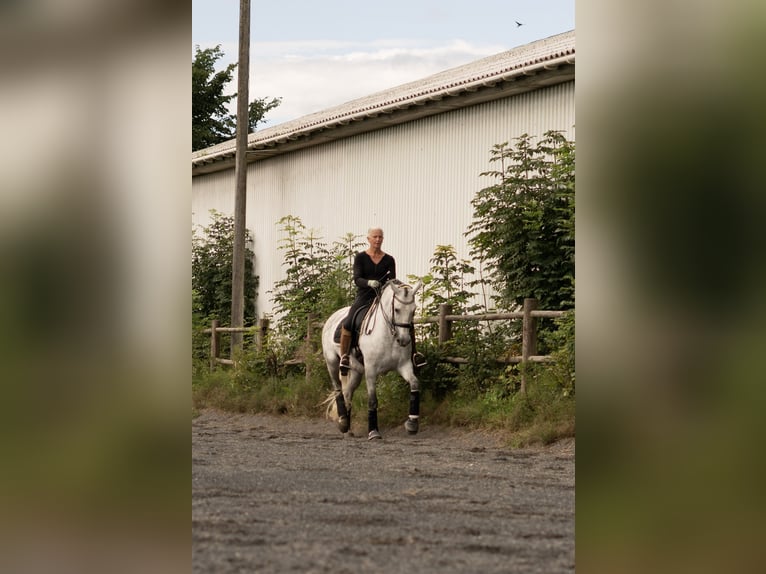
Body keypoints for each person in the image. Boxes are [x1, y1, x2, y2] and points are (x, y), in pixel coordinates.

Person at [339, 227, 427, 374]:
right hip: (364, 296)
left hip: (384, 297)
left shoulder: (389, 259)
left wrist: (399, 286)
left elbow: (392, 280)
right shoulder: (360, 258)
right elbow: (357, 279)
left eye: (380, 237)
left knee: (407, 321)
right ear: (368, 239)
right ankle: (345, 356)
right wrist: (368, 283)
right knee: (348, 322)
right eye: (375, 237)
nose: (378, 239)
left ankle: (414, 355)